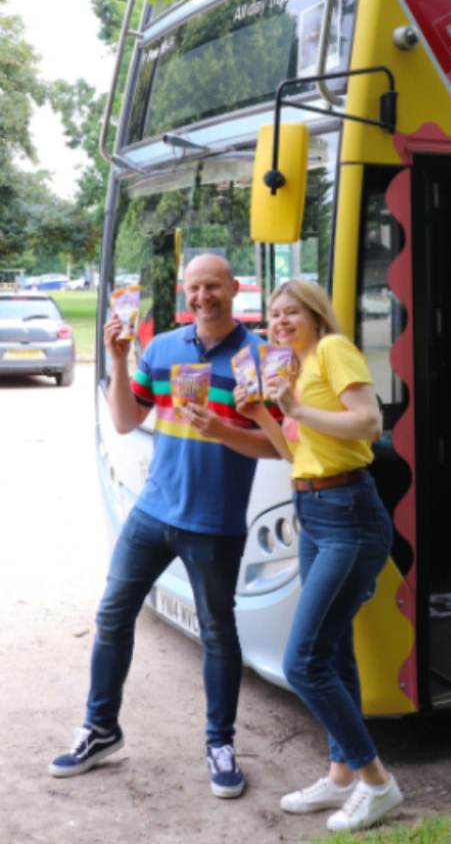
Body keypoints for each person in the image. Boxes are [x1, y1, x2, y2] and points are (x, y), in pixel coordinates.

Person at [50, 254, 277, 798]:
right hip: (153, 512)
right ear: (184, 291)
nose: (203, 297)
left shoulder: (260, 356)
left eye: (213, 286)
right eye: (194, 288)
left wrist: (223, 430)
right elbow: (126, 420)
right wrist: (116, 357)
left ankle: (220, 744)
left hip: (215, 522)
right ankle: (101, 729)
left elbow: (279, 446)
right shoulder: (162, 348)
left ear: (235, 288)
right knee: (112, 616)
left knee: (218, 635)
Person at [235, 279, 403, 832]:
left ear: (315, 315)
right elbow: (298, 453)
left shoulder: (333, 349)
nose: (280, 322)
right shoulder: (294, 368)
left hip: (350, 515)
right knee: (333, 653)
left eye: (291, 312)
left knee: (303, 663)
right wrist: (265, 414)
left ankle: (377, 783)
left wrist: (295, 407)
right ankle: (341, 776)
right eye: (274, 315)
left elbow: (370, 424)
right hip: (313, 512)